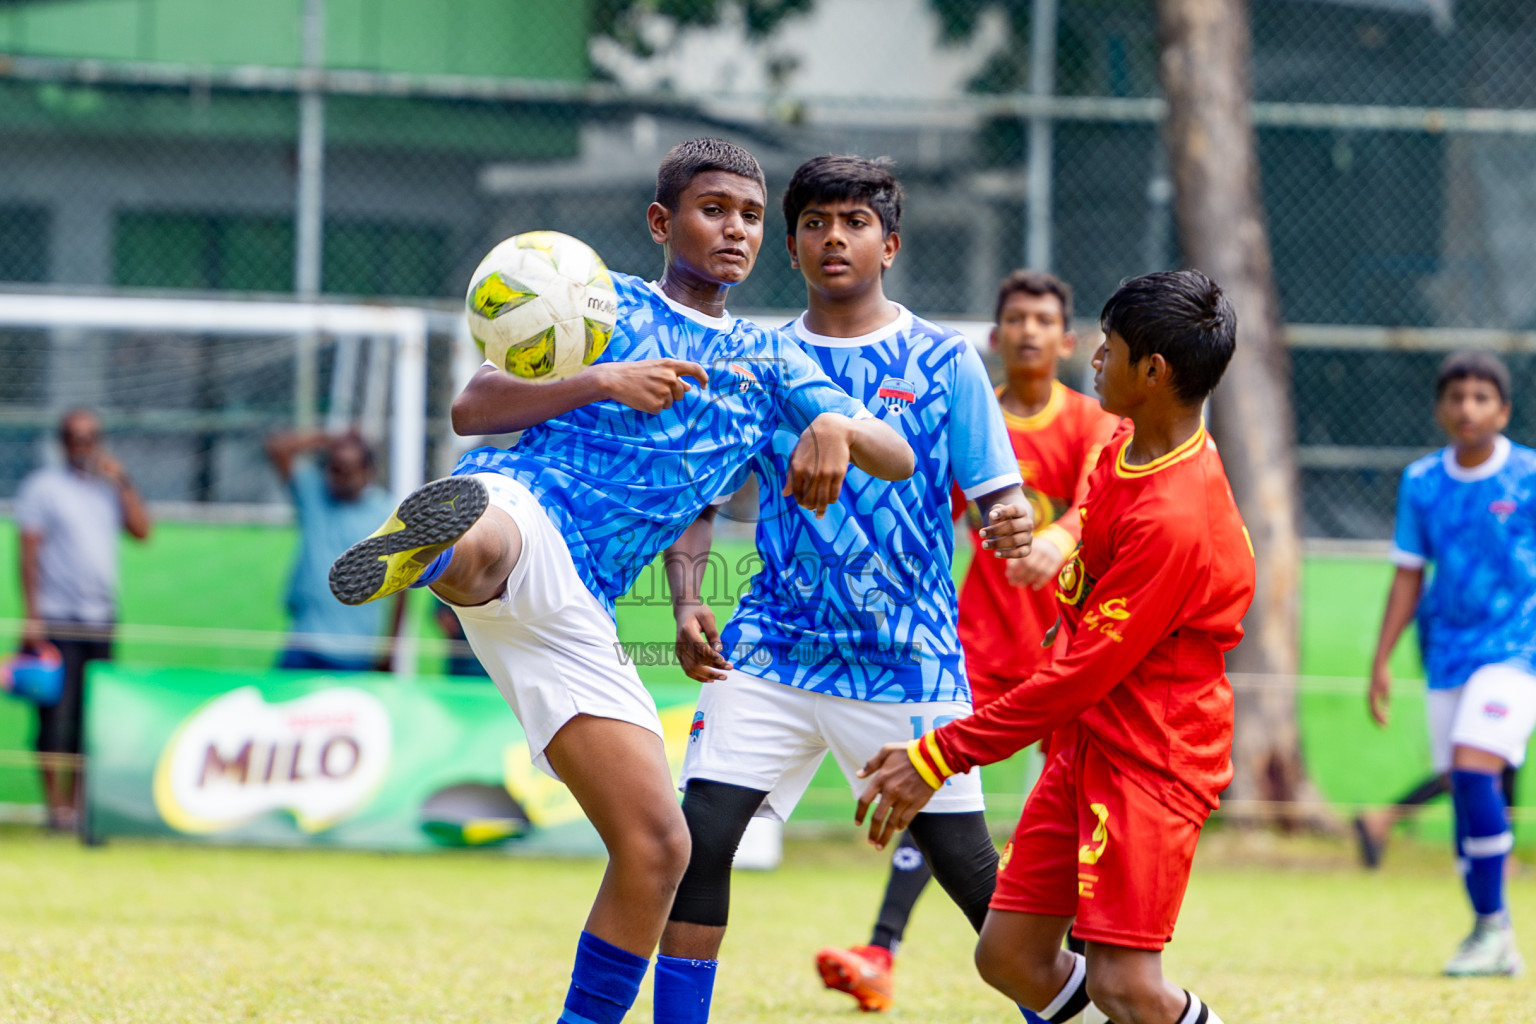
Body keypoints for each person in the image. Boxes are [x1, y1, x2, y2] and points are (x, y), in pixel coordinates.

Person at [327, 137, 914, 1024]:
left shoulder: (766, 362)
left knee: (658, 846)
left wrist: (827, 432)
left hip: (583, 612)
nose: (736, 230)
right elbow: (472, 407)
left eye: (752, 217)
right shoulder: (605, 309)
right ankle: (434, 551)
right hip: (527, 512)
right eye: (714, 209)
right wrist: (600, 378)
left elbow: (891, 455)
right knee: (492, 528)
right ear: (661, 221)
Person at [655, 155, 1034, 1022]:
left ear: (889, 243)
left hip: (905, 662)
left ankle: (1077, 1007)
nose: (836, 238)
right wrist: (684, 598)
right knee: (696, 842)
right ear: (791, 245)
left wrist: (1012, 524)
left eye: (856, 223)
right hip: (774, 648)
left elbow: (997, 499)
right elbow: (700, 501)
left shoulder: (944, 360)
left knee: (972, 875)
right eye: (818, 223)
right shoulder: (754, 360)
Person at [858, 269, 1253, 1024]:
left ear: (1154, 371)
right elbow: (1086, 573)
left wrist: (938, 755)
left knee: (1127, 986)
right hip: (1087, 743)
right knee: (1006, 956)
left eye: (1108, 349)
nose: (1093, 361)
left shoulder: (1175, 517)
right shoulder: (1122, 448)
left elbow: (1079, 676)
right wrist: (1040, 545)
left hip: (1151, 755)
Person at [814, 269, 1120, 1010]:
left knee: (1080, 813)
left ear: (1068, 340)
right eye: (1015, 318)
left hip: (1070, 652)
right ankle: (881, 953)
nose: (1027, 331)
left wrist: (1059, 536)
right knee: (939, 796)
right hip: (974, 648)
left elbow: (1106, 503)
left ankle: (1079, 970)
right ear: (995, 335)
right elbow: (926, 514)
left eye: (1043, 320)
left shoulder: (1092, 422)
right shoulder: (968, 413)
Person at [1367, 350, 1536, 976]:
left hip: (1518, 649)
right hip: (1445, 655)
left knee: (1471, 770)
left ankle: (1492, 928)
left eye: (1482, 397)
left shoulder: (1528, 476)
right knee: (1467, 798)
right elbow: (1409, 576)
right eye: (1457, 396)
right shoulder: (1422, 482)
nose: (1468, 408)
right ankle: (1490, 935)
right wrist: (1381, 659)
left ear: (1504, 409)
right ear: (1441, 408)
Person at [15, 408, 151, 831]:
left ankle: (79, 806)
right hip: (57, 618)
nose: (84, 444)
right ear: (62, 442)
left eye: (91, 436)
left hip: (100, 619)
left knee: (92, 717)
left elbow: (142, 531)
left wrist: (123, 481)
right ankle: (55, 807)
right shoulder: (42, 488)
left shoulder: (108, 489)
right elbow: (27, 552)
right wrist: (32, 615)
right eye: (76, 437)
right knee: (54, 715)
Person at [264, 430, 403, 672]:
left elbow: (403, 589)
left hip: (355, 652)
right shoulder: (314, 495)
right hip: (303, 643)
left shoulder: (386, 514)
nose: (342, 476)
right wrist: (329, 439)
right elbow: (278, 448)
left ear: (368, 471)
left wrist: (390, 648)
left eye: (350, 468)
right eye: (336, 468)